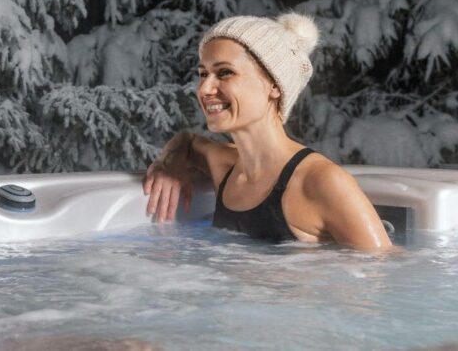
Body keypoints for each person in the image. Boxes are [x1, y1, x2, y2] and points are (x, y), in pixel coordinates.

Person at [143, 13, 392, 252]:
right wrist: (169, 161)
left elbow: (383, 269)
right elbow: (187, 140)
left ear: (274, 84)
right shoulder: (225, 166)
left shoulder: (322, 182)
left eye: (225, 72)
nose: (205, 89)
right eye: (203, 74)